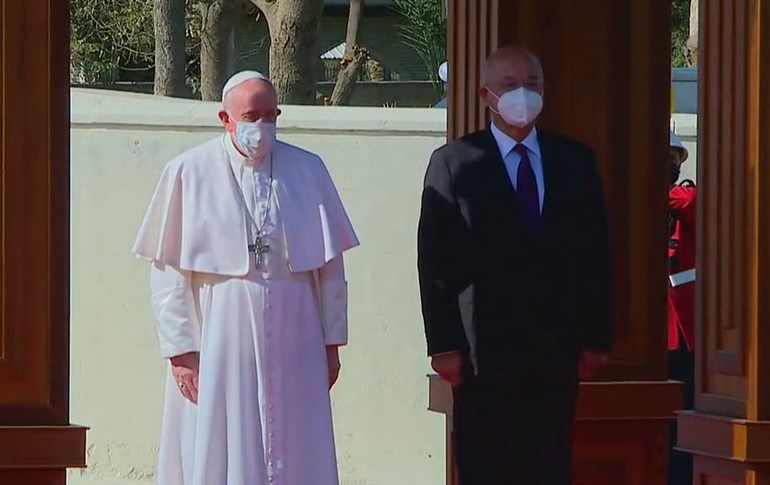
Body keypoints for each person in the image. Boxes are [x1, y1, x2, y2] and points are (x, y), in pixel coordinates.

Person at [132, 71, 359, 485]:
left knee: (298, 441)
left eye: (270, 115)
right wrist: (181, 350)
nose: (262, 126)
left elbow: (331, 268)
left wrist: (332, 342)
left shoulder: (307, 169)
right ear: (226, 118)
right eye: (251, 116)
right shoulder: (189, 171)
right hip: (220, 334)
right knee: (221, 439)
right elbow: (167, 272)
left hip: (296, 334)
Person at [417, 46, 612, 484]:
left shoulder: (575, 161)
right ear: (486, 94)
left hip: (554, 347)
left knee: (548, 461)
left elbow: (595, 254)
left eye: (532, 84)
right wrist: (443, 345)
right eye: (510, 85)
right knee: (487, 461)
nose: (522, 94)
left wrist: (595, 337)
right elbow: (434, 261)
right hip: (480, 349)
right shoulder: (455, 163)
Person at [667, 131, 695, 484]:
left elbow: (688, 202)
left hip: (685, 329)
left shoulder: (684, 196)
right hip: (651, 333)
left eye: (672, 159)